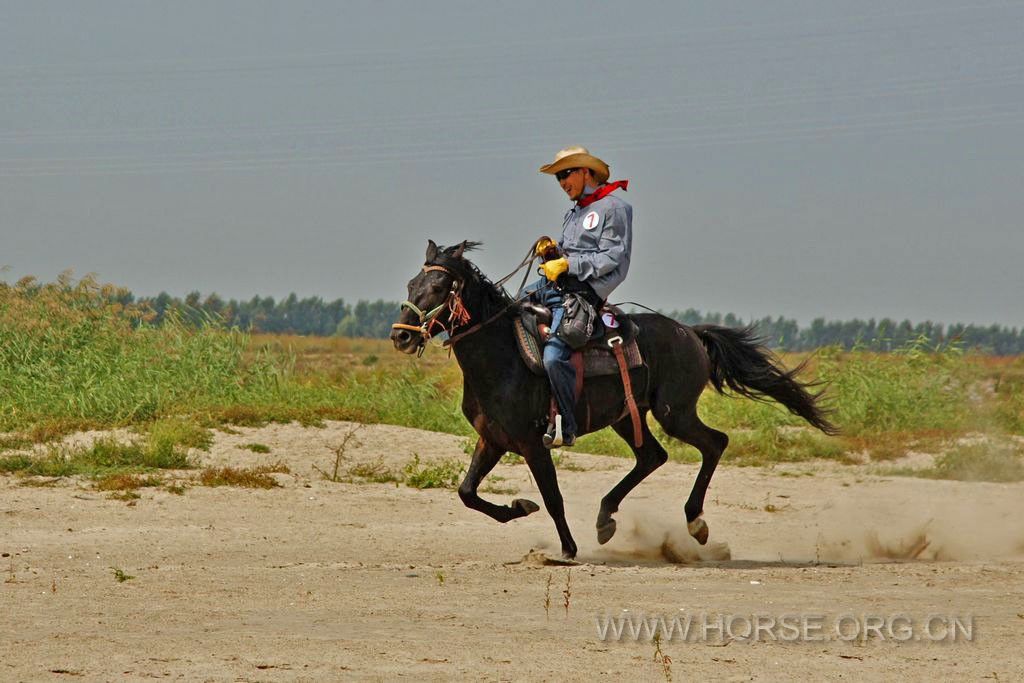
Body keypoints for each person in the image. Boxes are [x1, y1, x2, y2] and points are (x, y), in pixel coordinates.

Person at [532, 146, 633, 448]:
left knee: (552, 357)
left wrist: (568, 264)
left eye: (566, 174)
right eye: (558, 177)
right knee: (510, 308)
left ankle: (567, 424)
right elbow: (568, 251)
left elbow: (613, 257)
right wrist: (553, 251)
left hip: (584, 294)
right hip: (558, 286)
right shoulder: (574, 212)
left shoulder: (614, 208)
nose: (562, 183)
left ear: (585, 172)